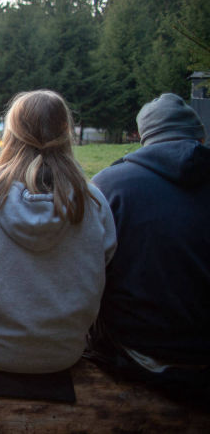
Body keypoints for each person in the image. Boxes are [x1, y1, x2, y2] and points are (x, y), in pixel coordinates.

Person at [0, 90, 116, 375]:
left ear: (12, 135)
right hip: (65, 350)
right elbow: (103, 270)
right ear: (65, 132)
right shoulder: (94, 202)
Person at [87, 93, 209, 401]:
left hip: (136, 351)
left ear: (145, 138)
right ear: (201, 136)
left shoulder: (108, 186)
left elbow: (84, 275)